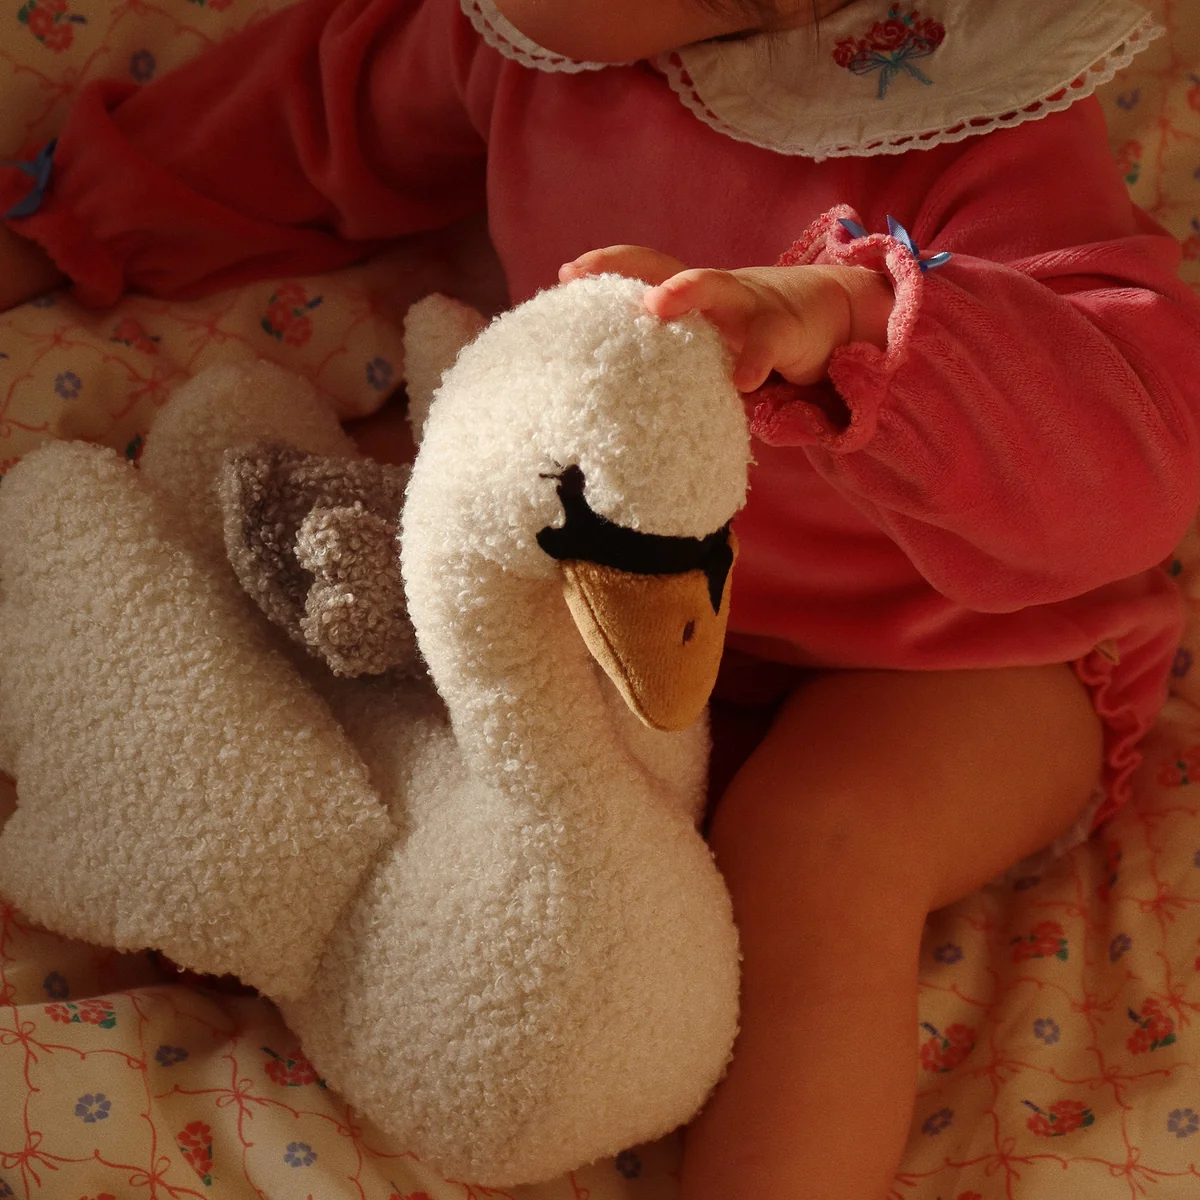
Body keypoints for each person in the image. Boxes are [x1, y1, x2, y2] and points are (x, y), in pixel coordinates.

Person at [2, 1, 1198, 1196]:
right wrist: (67, 220)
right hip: (626, 594)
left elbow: (1128, 456)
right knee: (385, 653)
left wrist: (854, 325)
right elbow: (312, 116)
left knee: (817, 845)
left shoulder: (973, 101)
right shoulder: (527, 39)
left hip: (964, 651)